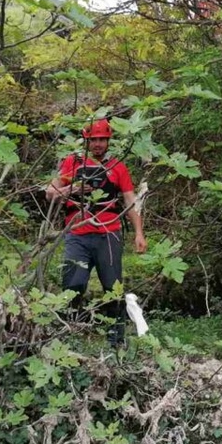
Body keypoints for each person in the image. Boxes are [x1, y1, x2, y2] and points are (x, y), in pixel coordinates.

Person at [46, 118, 147, 345]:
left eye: (102, 139)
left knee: (113, 288)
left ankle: (116, 342)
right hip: (77, 233)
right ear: (86, 140)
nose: (98, 144)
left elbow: (130, 200)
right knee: (73, 285)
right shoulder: (72, 162)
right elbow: (50, 193)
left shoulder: (117, 166)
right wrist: (73, 188)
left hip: (108, 234)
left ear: (108, 140)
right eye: (94, 139)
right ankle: (67, 336)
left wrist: (139, 233)